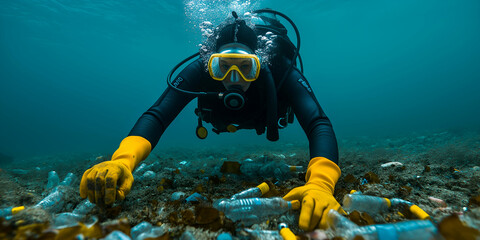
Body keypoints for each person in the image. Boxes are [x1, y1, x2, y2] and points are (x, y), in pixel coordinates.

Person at [79, 10, 344, 231]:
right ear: (210, 64)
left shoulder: (280, 69)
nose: (233, 77)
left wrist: (321, 183)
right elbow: (157, 115)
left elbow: (318, 122)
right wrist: (122, 161)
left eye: (245, 67)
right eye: (222, 66)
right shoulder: (199, 70)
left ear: (259, 63)